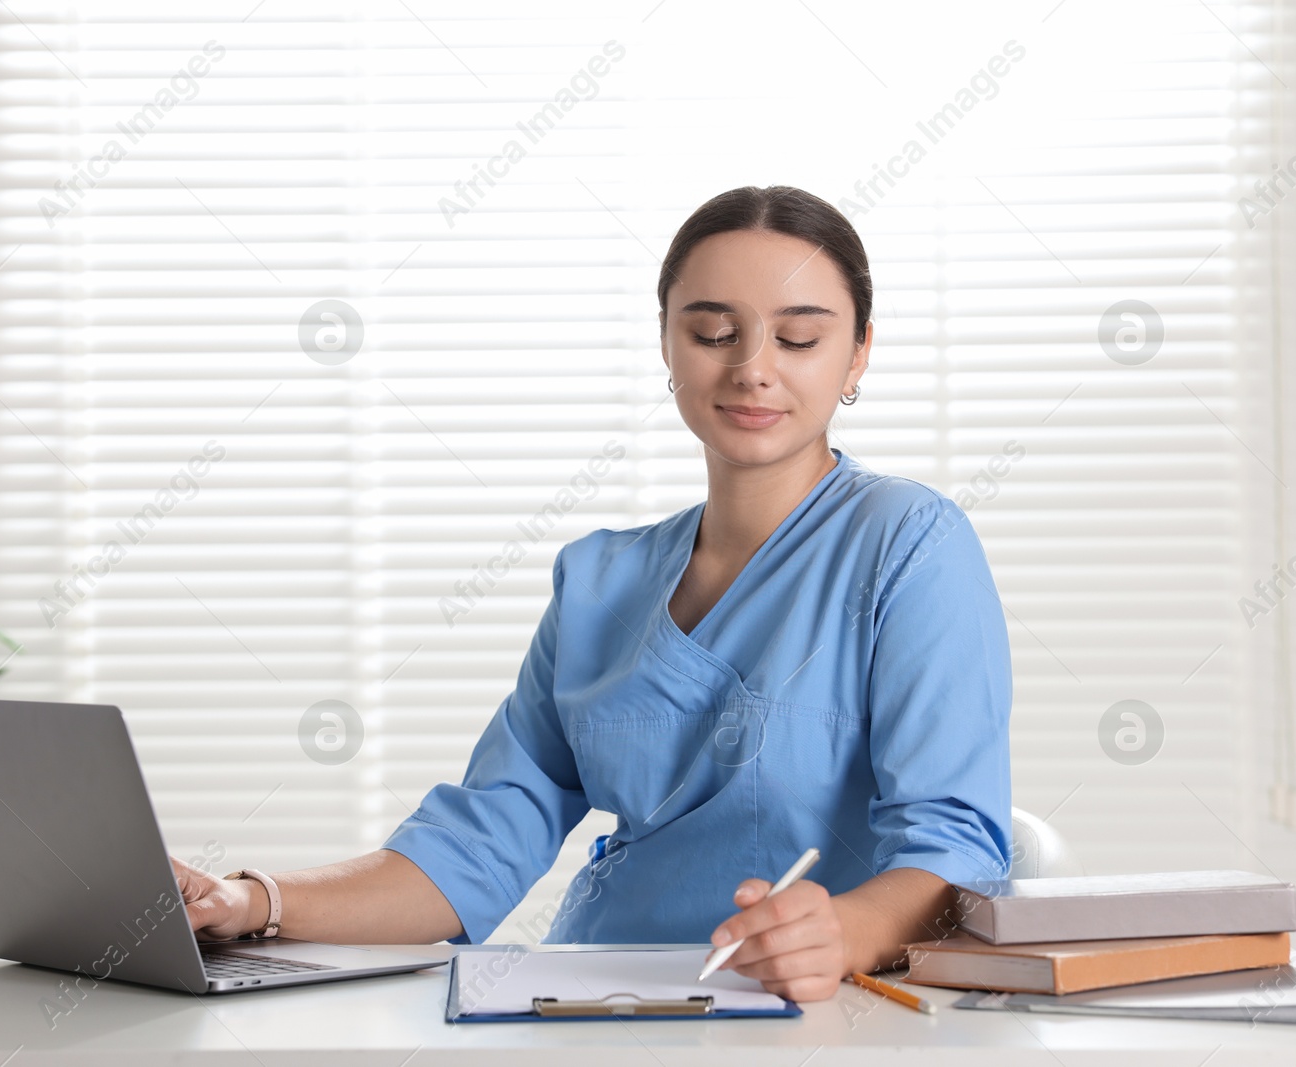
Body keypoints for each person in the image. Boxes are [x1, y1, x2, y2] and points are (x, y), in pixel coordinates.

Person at [173, 185, 1013, 1004]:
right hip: (593, 1007)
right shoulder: (599, 581)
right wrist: (255, 901)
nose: (752, 369)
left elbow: (959, 844)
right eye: (715, 331)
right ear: (667, 343)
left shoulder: (909, 543)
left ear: (859, 352)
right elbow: (478, 845)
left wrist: (844, 930)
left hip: (805, 1021)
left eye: (798, 339)